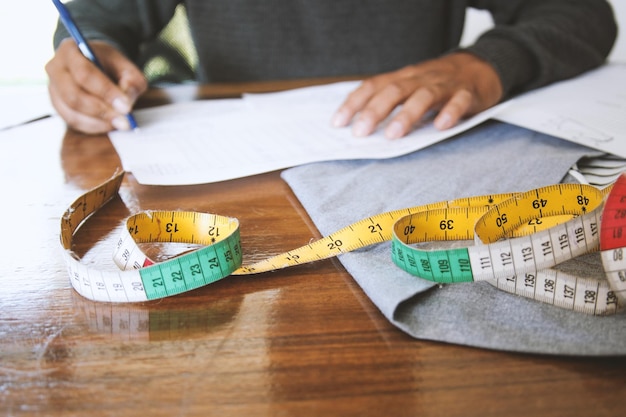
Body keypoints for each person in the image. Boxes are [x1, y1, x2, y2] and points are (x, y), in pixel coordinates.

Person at [46, 0, 617, 138]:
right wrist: (85, 52)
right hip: (241, 176)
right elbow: (97, 16)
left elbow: (582, 12)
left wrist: (486, 65)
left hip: (419, 153)